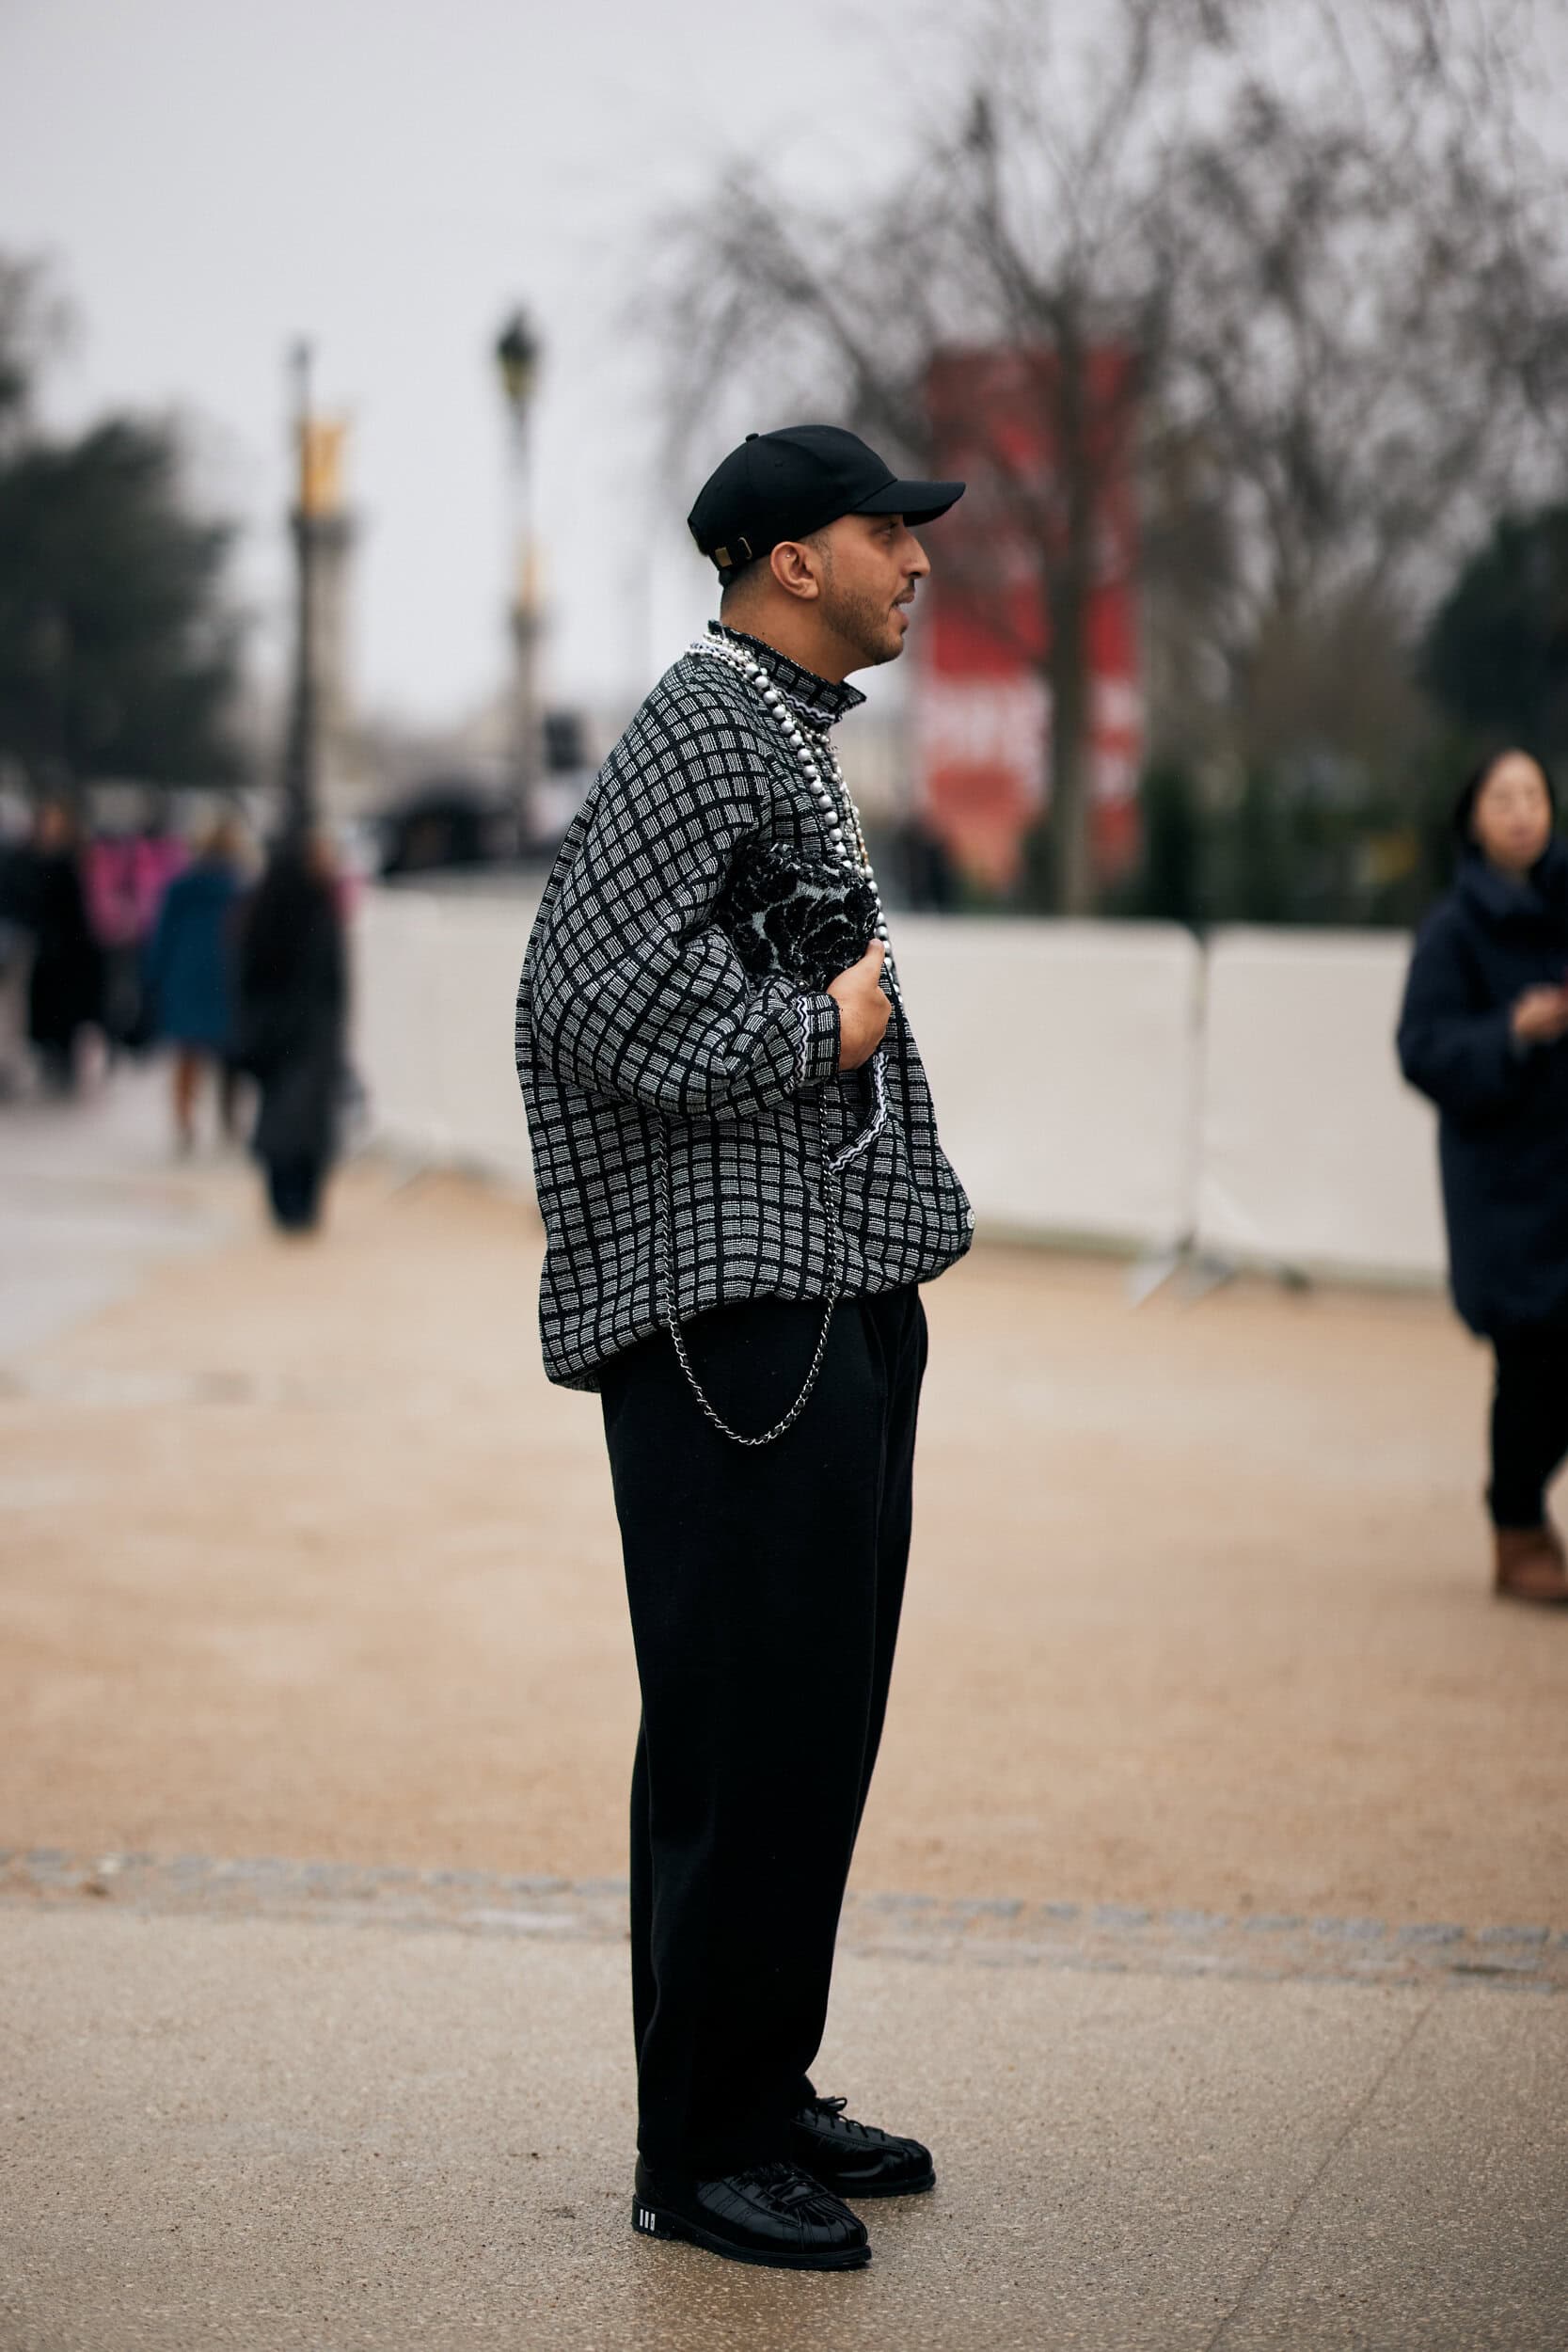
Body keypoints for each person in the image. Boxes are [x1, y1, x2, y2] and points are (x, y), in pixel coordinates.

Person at [515, 424, 974, 2272]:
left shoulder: (773, 722)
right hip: (731, 1313)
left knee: (811, 1718)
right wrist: (814, 1031)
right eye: (887, 530)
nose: (916, 557)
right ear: (789, 558)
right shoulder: (709, 714)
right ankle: (696, 2149)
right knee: (738, 1724)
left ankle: (757, 2085)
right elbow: (579, 984)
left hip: (817, 1284)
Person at [1397, 747, 1568, 1606]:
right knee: (1533, 1363)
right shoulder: (1452, 929)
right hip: (1506, 1188)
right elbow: (1419, 1049)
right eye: (1501, 797)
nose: (1519, 811)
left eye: (1532, 794)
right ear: (1472, 817)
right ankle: (1516, 1526)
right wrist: (1513, 1032)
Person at [234, 832, 347, 1232]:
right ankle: (293, 1204)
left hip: (297, 1032)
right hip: (290, 1033)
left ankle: (296, 1204)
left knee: (295, 1120)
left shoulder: (302, 907)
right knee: (296, 1122)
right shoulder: (299, 909)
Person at [147, 817, 247, 1152]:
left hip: (185, 976)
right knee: (229, 1055)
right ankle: (229, 1120)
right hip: (227, 976)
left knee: (187, 1055)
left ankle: (184, 1119)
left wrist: (152, 977)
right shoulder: (240, 889)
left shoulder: (180, 887)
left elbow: (161, 938)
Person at [22, 803, 103, 1093]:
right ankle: (51, 1059)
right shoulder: (32, 860)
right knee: (47, 1011)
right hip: (48, 948)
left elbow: (80, 909)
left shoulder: (71, 861)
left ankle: (64, 1062)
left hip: (70, 949)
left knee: (66, 1012)